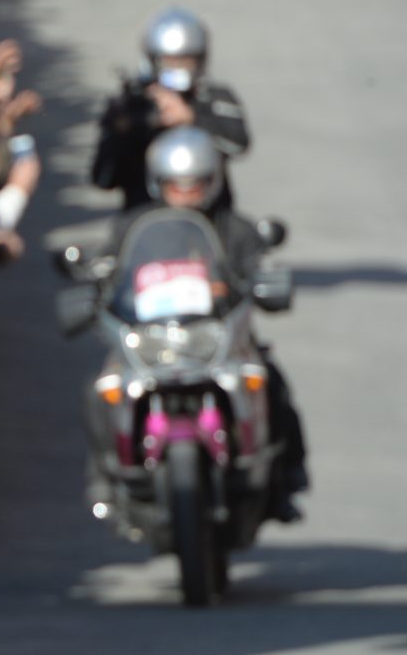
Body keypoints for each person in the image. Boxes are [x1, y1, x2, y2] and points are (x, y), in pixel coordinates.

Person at [101, 127, 308, 522]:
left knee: (273, 381)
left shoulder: (236, 230)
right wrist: (99, 283)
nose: (186, 195)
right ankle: (108, 479)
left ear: (214, 181)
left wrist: (257, 284)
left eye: (196, 186)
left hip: (221, 341)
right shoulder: (132, 228)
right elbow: (112, 273)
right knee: (101, 390)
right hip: (155, 341)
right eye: (175, 186)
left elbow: (256, 274)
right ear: (157, 184)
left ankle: (286, 477)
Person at [91, 7, 249, 211]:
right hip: (145, 224)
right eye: (170, 62)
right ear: (152, 59)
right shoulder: (132, 103)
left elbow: (240, 145)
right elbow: (103, 178)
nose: (178, 70)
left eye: (186, 61)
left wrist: (191, 118)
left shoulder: (215, 99)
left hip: (209, 221)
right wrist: (126, 129)